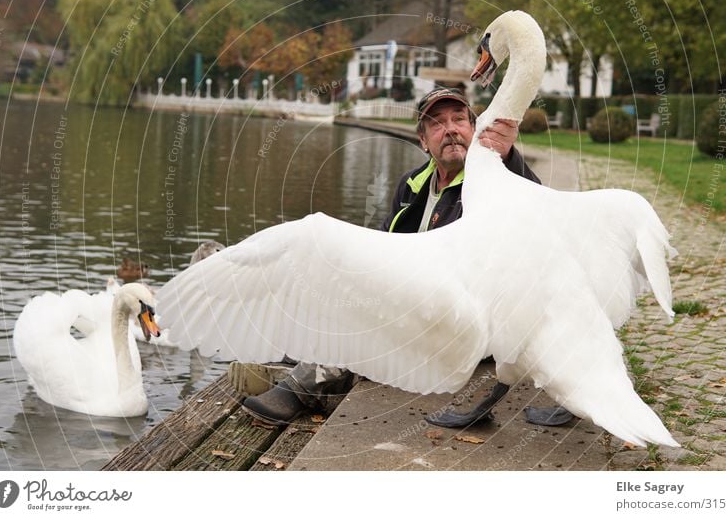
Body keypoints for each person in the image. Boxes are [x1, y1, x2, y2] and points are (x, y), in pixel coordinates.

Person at [241, 87, 572, 428]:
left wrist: (509, 155)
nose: (451, 129)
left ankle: (302, 387)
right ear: (423, 141)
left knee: (366, 324)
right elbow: (384, 251)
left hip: (471, 325)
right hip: (420, 311)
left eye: (459, 119)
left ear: (474, 131)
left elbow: (534, 201)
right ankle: (303, 358)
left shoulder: (495, 183)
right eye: (437, 124)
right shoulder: (412, 185)